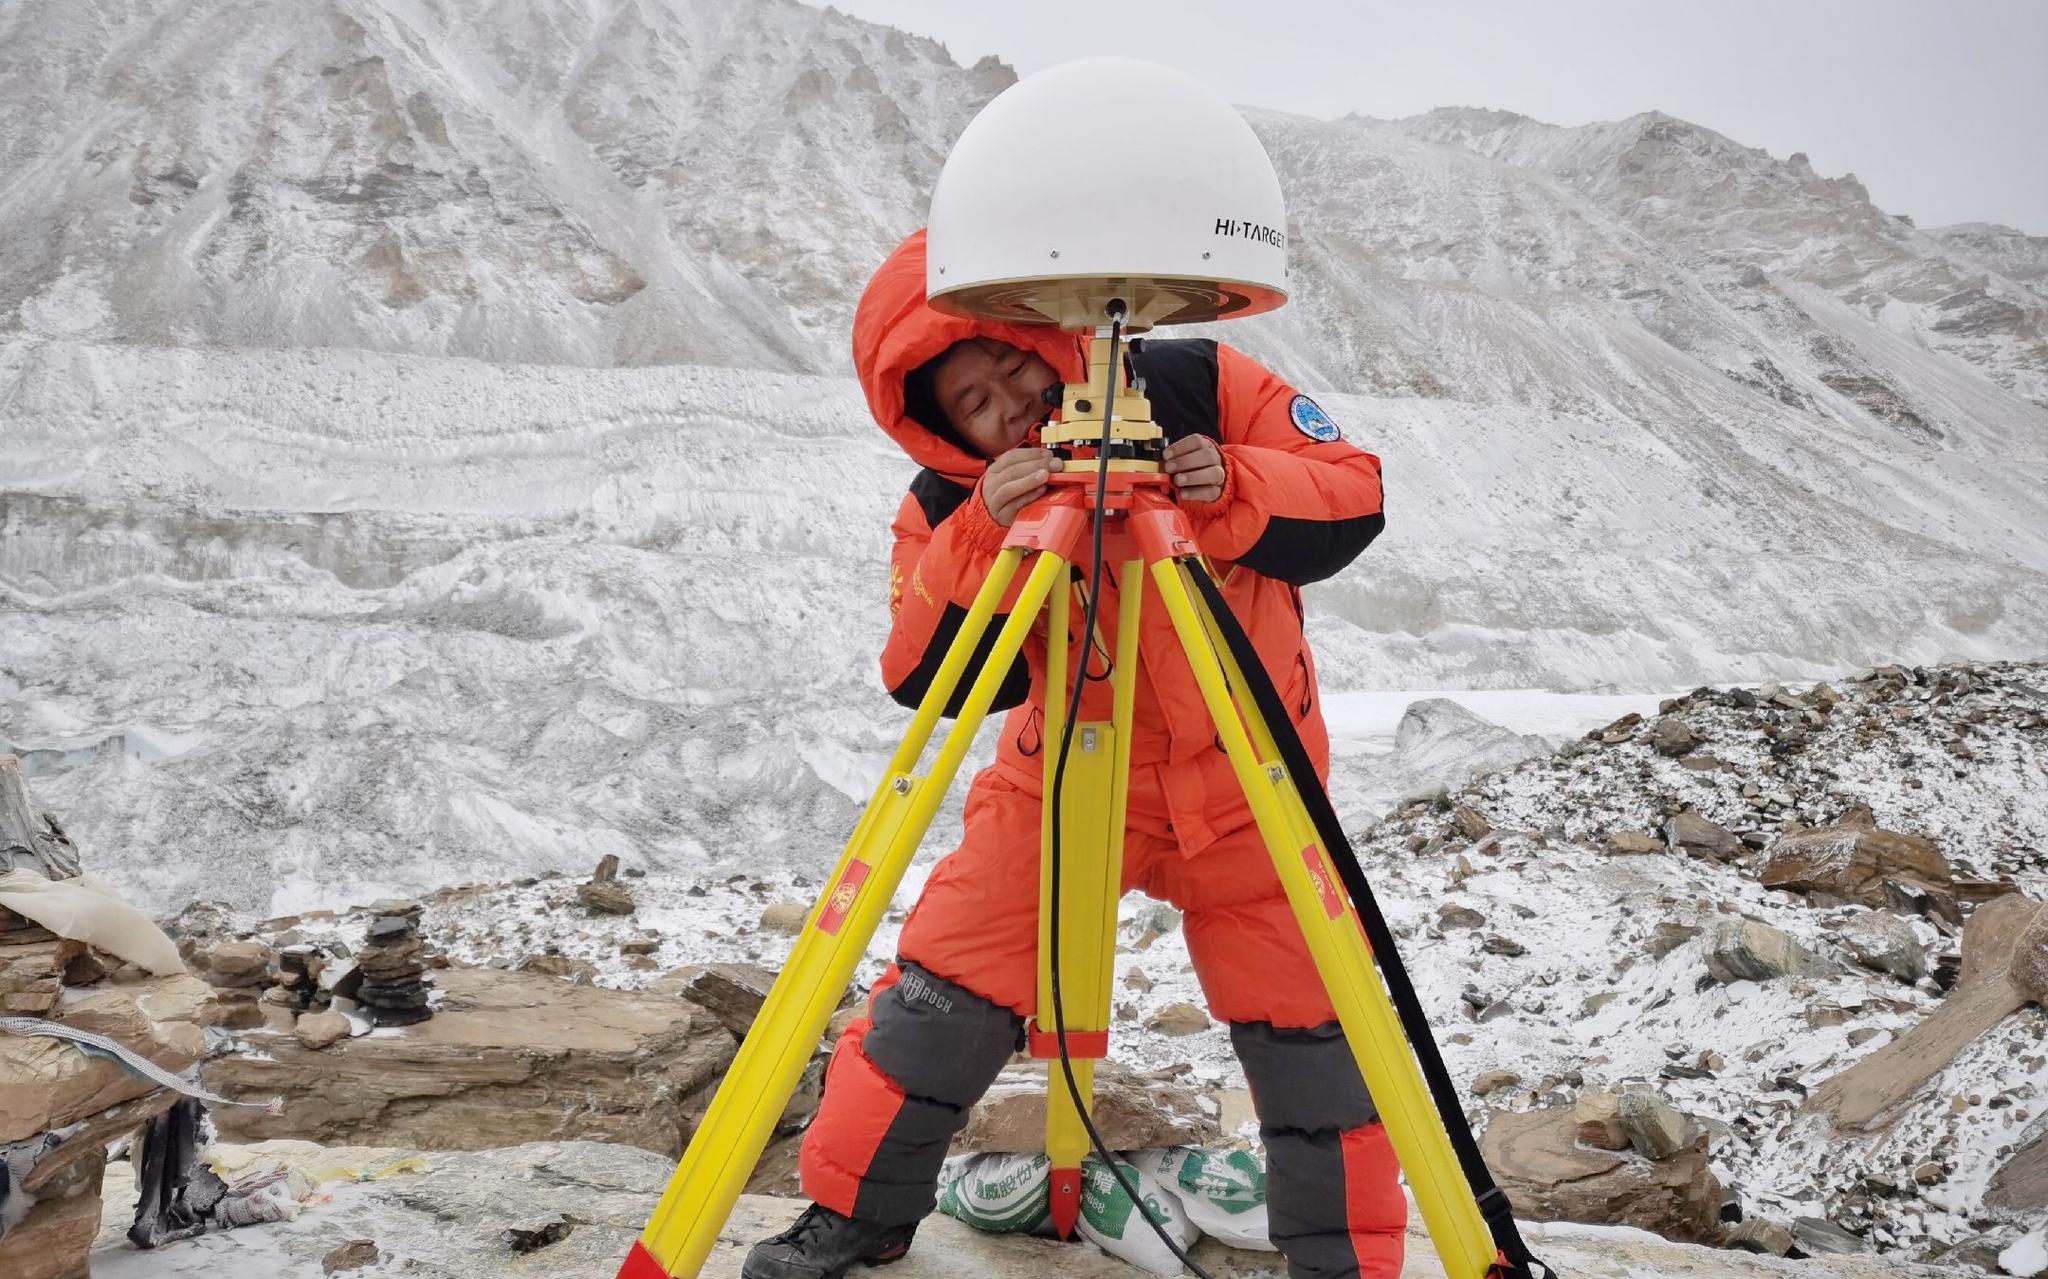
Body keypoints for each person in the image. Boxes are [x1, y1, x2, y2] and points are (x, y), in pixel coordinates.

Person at [743, 229, 1399, 1279]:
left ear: (1041, 332)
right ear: (941, 428)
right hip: (1058, 782)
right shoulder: (947, 501)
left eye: (1007, 361)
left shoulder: (1198, 383)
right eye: (973, 402)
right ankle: (856, 1214)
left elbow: (1352, 492)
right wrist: (978, 540)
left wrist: (1229, 484)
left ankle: (1345, 1262)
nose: (1008, 402)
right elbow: (920, 673)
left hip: (1251, 786)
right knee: (940, 993)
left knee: (1314, 1036)